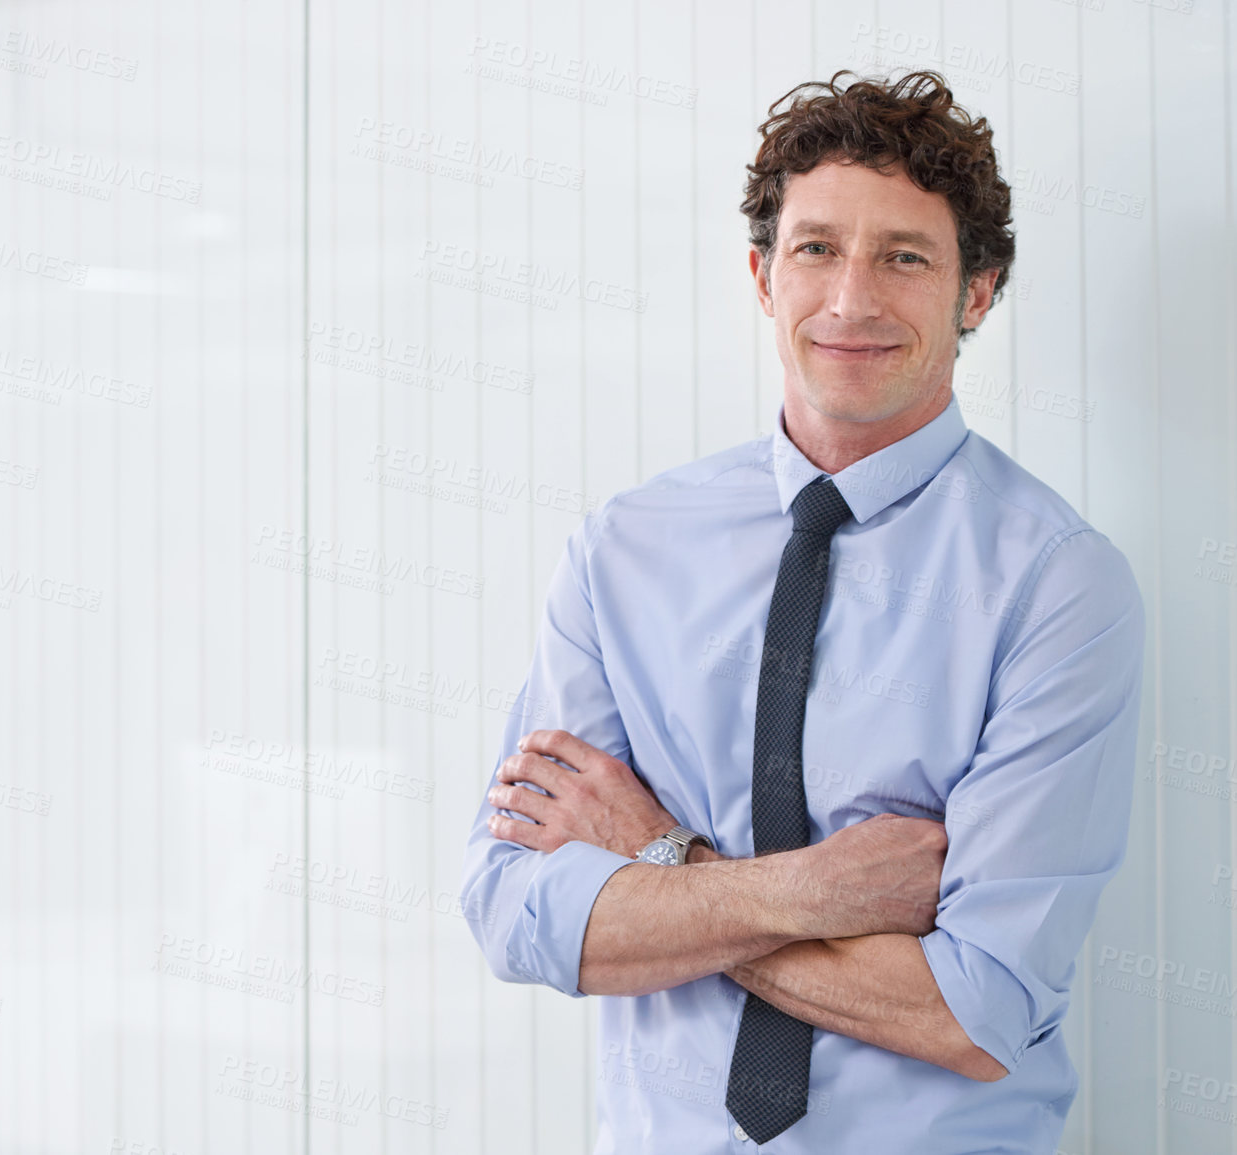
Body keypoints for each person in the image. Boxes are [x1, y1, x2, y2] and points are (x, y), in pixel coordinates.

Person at [460, 69, 1145, 1154]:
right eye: (817, 248)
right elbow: (519, 915)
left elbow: (974, 1009)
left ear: (978, 291)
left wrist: (658, 859)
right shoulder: (623, 550)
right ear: (762, 276)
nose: (851, 301)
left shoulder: (1057, 585)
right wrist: (823, 891)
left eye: (905, 257)